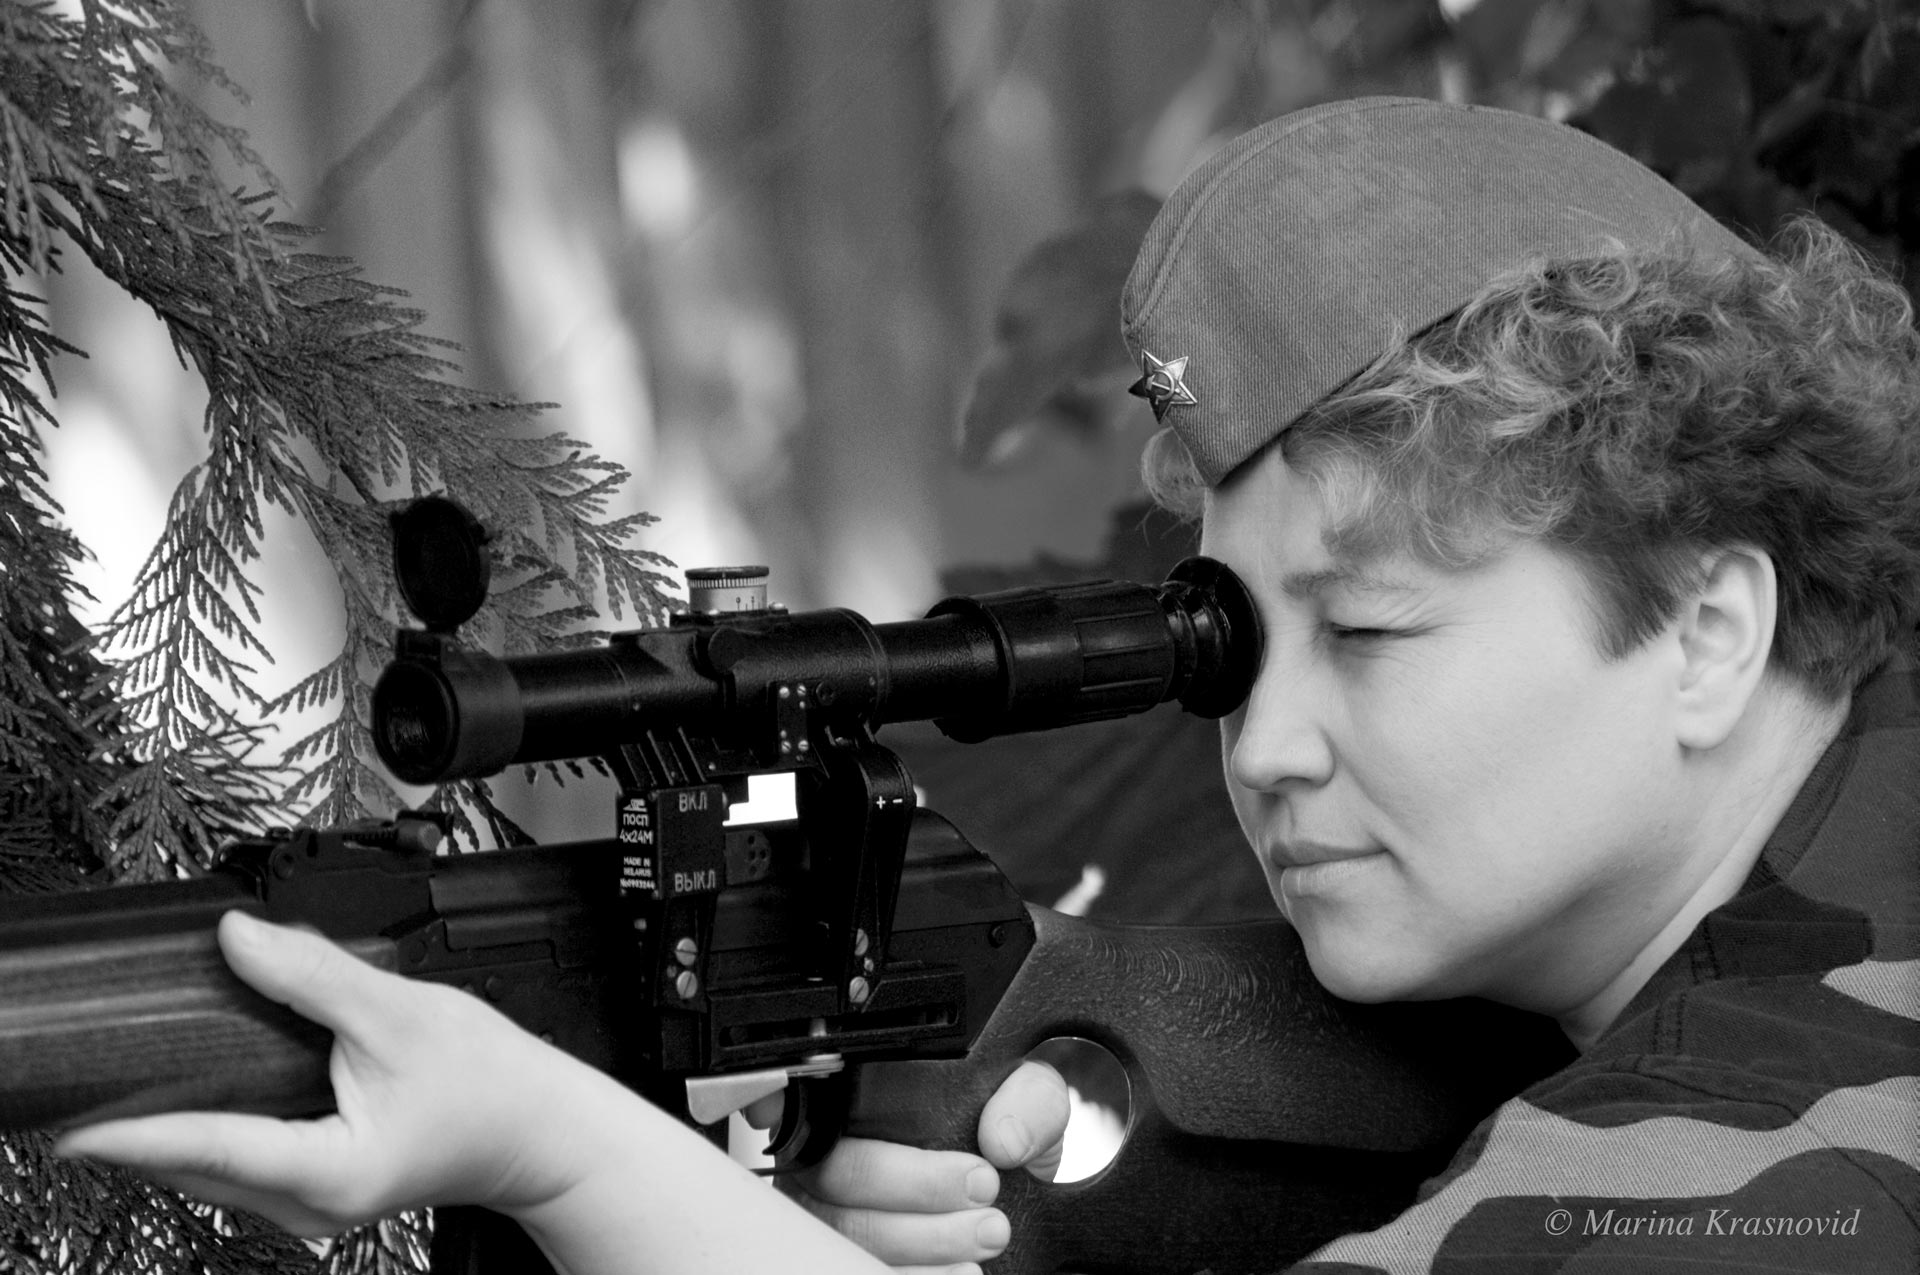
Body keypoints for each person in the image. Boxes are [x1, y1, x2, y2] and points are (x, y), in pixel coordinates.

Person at [53, 97, 1920, 1274]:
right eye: (1234, 642)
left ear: (1706, 627)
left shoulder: (1810, 1139)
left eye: (1368, 637)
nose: (1262, 748)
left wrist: (564, 1161)